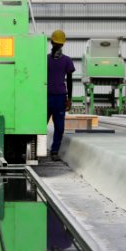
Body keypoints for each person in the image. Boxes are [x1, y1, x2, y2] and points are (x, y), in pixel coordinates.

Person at [46, 29, 75, 161]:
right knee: (41, 125)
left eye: (59, 44)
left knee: (59, 127)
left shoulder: (67, 61)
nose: (58, 46)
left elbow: (69, 80)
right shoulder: (44, 60)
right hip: (47, 97)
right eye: (57, 44)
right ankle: (36, 149)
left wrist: (69, 99)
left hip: (58, 97)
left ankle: (54, 151)